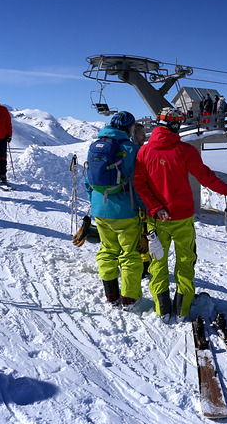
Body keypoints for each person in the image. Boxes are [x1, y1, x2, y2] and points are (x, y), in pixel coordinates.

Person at [134, 107, 227, 323]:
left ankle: (162, 310)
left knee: (158, 263)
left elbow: (139, 184)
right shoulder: (186, 151)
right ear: (175, 126)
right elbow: (206, 177)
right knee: (185, 261)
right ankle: (181, 310)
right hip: (182, 217)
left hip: (156, 219)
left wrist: (155, 208)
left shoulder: (143, 152)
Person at [85, 112, 145, 309]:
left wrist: (94, 202)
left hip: (100, 209)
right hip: (125, 210)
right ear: (129, 128)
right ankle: (129, 297)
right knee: (129, 254)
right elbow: (137, 183)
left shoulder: (95, 146)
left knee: (107, 250)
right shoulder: (131, 148)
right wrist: (142, 207)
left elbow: (88, 181)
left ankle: (111, 294)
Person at [130, 123, 151, 279]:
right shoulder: (138, 152)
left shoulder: (125, 151)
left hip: (127, 202)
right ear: (133, 135)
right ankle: (145, 266)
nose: (145, 137)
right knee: (145, 234)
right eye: (141, 134)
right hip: (140, 202)